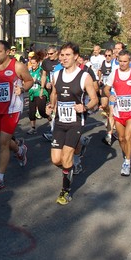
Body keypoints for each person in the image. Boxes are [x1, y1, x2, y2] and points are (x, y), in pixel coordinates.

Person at [47, 42, 98, 205]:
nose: (64, 58)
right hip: (60, 121)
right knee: (56, 159)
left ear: (76, 56)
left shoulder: (84, 76)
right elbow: (54, 93)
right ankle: (74, 157)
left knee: (67, 156)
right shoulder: (56, 75)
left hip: (76, 121)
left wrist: (85, 106)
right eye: (61, 55)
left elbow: (95, 99)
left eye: (67, 55)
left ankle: (65, 191)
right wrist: (51, 105)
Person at [0, 40, 33, 191]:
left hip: (13, 108)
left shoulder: (17, 66)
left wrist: (23, 89)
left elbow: (30, 81)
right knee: (2, 140)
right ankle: (20, 150)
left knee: (3, 143)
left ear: (7, 52)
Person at [103, 49, 131, 177]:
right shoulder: (114, 73)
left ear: (129, 61)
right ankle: (129, 154)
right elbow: (106, 88)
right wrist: (109, 96)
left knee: (128, 137)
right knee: (121, 138)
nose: (122, 64)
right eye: (120, 61)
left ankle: (127, 162)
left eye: (125, 61)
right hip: (118, 111)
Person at [39, 46, 60, 141]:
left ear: (56, 52)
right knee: (48, 109)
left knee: (56, 108)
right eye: (47, 54)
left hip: (60, 89)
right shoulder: (46, 62)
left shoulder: (61, 61)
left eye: (51, 54)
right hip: (50, 90)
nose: (49, 56)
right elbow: (43, 75)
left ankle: (54, 132)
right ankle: (54, 129)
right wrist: (42, 88)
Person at [27, 54, 50, 135]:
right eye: (31, 63)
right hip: (32, 94)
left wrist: (37, 80)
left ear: (37, 63)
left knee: (41, 111)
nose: (32, 65)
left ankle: (51, 120)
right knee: (31, 112)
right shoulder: (29, 71)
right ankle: (33, 128)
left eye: (34, 63)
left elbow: (46, 82)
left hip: (41, 93)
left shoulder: (41, 71)